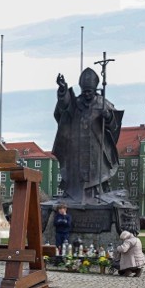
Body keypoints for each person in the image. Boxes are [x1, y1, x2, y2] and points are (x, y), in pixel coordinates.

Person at [52, 68, 123, 203]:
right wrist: (63, 91)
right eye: (84, 92)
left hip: (96, 147)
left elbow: (115, 125)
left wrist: (108, 116)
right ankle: (74, 195)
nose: (87, 94)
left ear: (95, 89)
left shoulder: (103, 103)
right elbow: (63, 109)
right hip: (76, 148)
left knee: (96, 173)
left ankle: (97, 194)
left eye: (89, 91)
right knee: (76, 173)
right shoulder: (76, 103)